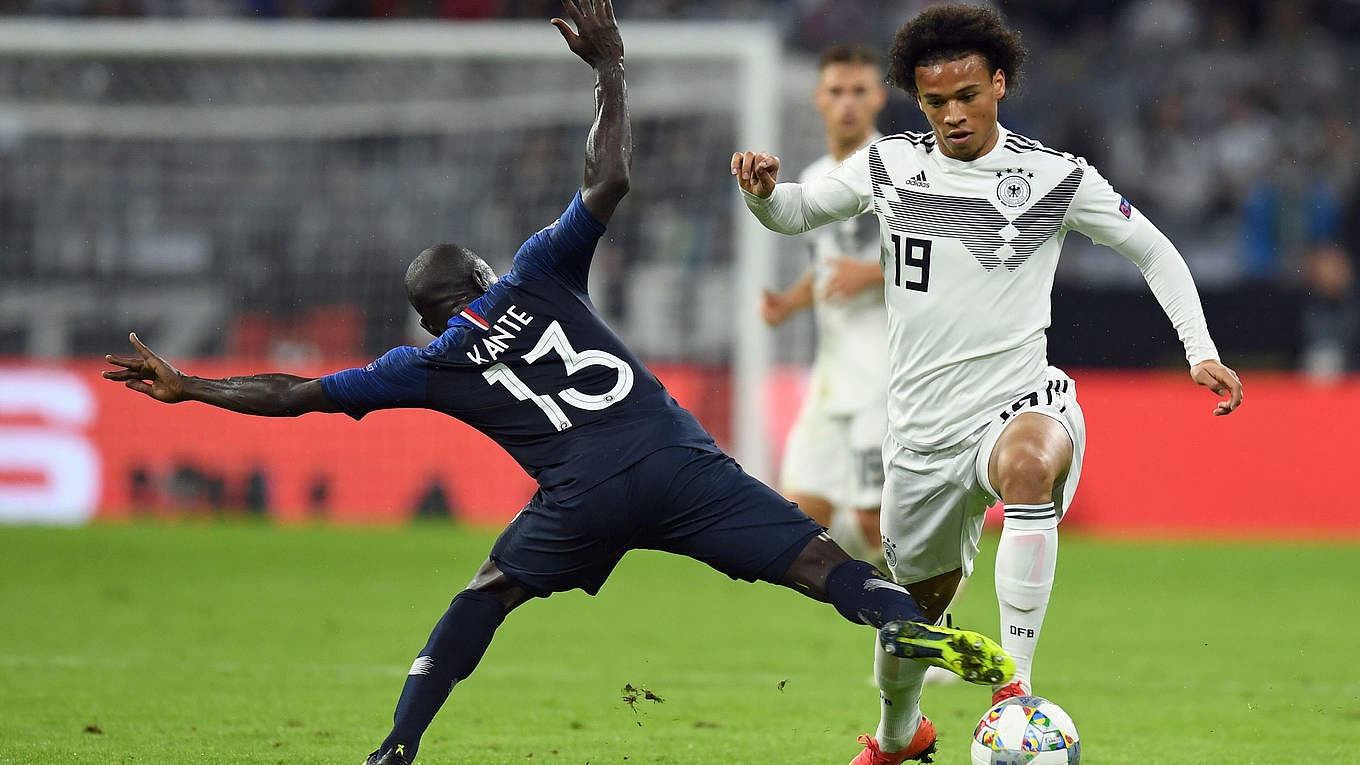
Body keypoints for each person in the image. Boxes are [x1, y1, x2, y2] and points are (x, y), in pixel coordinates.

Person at [103, 3, 1013, 764]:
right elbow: (609, 178)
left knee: (484, 594)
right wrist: (609, 66)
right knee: (823, 564)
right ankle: (899, 622)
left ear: (429, 317)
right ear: (484, 273)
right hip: (676, 460)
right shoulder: (536, 272)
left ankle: (396, 745)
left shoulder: (427, 363)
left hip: (580, 498)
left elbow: (298, 393)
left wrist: (191, 386)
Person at [731, 5, 1244, 764]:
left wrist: (1198, 349)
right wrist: (763, 192)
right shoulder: (889, 166)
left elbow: (1153, 248)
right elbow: (797, 212)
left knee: (1029, 466)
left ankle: (1017, 689)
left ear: (999, 83)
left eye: (967, 95)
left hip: (1018, 398)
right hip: (920, 432)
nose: (952, 115)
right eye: (935, 101)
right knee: (910, 615)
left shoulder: (1055, 177)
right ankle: (899, 734)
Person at [760, 44, 888, 565]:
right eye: (836, 91)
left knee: (873, 522)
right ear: (819, 98)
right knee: (803, 510)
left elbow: (942, 252)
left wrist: (872, 272)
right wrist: (790, 303)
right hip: (833, 371)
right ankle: (878, 595)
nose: (847, 103)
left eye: (859, 91)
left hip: (886, 370)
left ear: (879, 98)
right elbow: (829, 265)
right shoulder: (814, 178)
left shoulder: (899, 171)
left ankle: (929, 593)